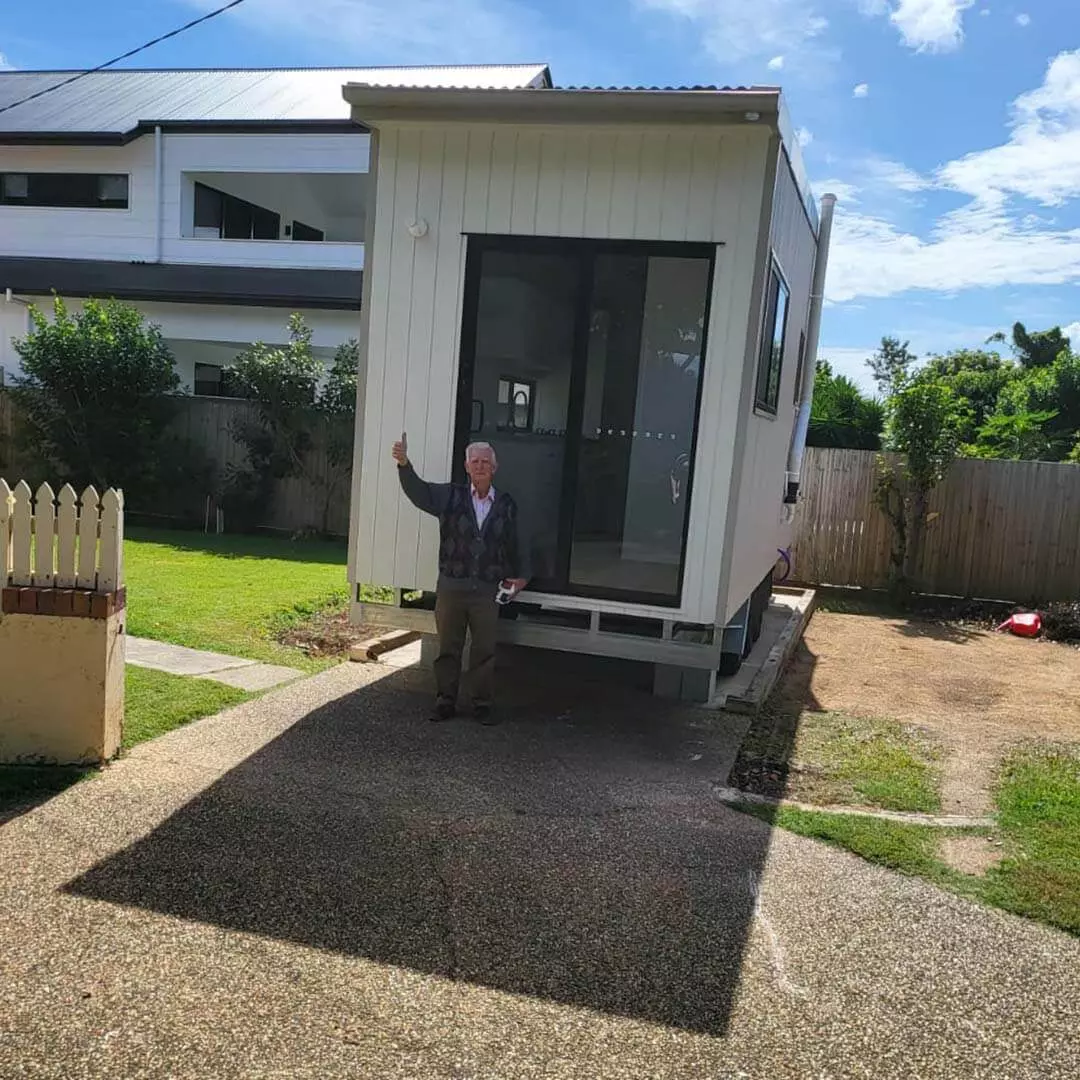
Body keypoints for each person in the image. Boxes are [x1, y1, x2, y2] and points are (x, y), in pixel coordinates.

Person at [392, 434, 529, 724]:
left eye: (485, 462)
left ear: (495, 467)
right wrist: (404, 464)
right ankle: (445, 701)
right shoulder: (449, 496)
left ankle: (482, 703)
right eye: (475, 461)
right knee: (447, 649)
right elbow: (419, 492)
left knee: (484, 650)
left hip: (487, 591)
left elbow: (517, 544)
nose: (480, 466)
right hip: (452, 588)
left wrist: (522, 578)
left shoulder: (506, 503)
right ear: (466, 466)